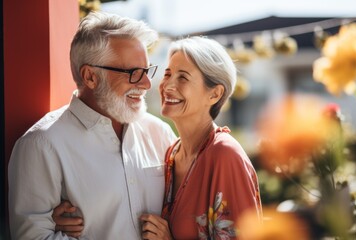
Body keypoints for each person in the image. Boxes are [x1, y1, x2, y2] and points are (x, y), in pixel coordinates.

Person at [55, 36, 262, 239]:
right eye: (167, 74)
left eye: (183, 77)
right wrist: (63, 220)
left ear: (215, 94)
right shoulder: (171, 153)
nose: (168, 85)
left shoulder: (225, 155)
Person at [8, 11, 176, 240]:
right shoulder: (41, 145)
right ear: (90, 77)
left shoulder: (160, 133)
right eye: (133, 73)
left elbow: (186, 212)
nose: (146, 84)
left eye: (146, 71)